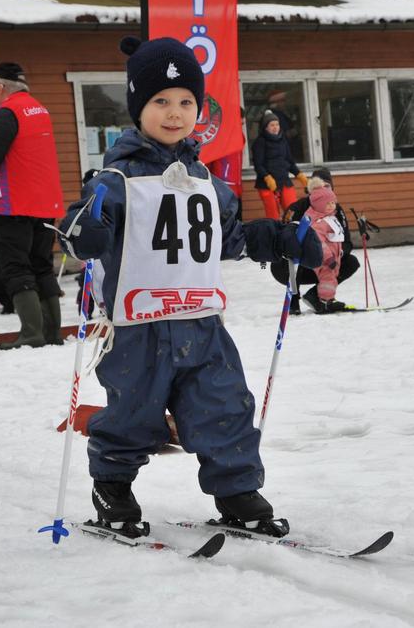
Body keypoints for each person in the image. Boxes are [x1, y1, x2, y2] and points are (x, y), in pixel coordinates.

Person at [58, 35, 322, 539]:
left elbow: (229, 238)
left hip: (201, 322)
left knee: (223, 405)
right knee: (132, 413)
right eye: (160, 101)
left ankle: (237, 491)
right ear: (138, 107)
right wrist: (83, 230)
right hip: (137, 326)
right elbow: (83, 227)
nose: (175, 113)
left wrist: (279, 238)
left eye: (185, 102)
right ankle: (112, 487)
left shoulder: (205, 179)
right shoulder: (115, 178)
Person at [0, 62, 64, 349]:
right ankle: (52, 332)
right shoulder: (39, 110)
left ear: (1, 87)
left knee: (16, 267)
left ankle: (31, 332)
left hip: (13, 203)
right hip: (46, 202)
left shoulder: (5, 112)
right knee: (42, 265)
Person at [272, 167, 359, 314]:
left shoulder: (335, 209)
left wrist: (335, 256)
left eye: (327, 186)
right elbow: (283, 241)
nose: (323, 189)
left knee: (351, 262)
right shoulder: (297, 208)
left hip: (325, 263)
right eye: (320, 186)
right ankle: (293, 300)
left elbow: (347, 241)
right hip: (290, 265)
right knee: (295, 256)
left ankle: (317, 296)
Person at [251, 109, 307, 219]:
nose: (275, 127)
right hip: (267, 184)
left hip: (284, 181)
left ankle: (291, 229)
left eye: (277, 124)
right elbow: (258, 165)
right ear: (265, 127)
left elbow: (289, 161)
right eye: (272, 125)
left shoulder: (283, 140)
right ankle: (274, 229)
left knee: (292, 212)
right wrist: (267, 178)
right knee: (273, 216)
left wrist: (300, 175)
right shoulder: (260, 142)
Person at [303, 186, 348, 313]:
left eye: (333, 203)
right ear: (318, 205)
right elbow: (318, 242)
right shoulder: (319, 223)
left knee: (331, 278)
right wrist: (328, 257)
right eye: (327, 204)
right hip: (324, 259)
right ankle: (325, 301)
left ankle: (329, 300)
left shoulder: (329, 218)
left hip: (334, 257)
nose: (331, 206)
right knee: (327, 279)